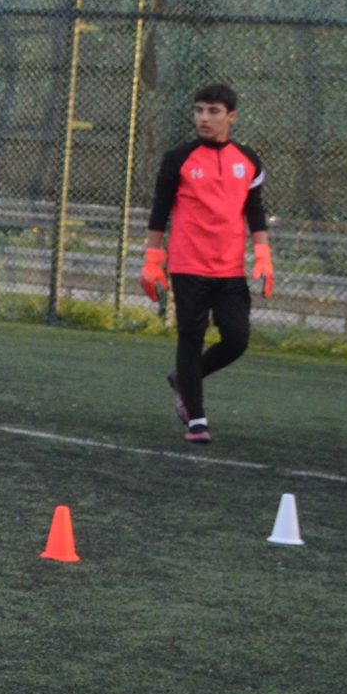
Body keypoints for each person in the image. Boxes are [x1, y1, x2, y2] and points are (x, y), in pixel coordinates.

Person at [141, 83, 273, 445]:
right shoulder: (178, 158)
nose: (204, 118)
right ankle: (196, 421)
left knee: (237, 339)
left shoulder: (248, 160)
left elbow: (255, 210)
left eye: (213, 111)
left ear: (231, 117)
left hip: (230, 268)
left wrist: (263, 254)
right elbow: (159, 211)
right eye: (199, 110)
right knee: (191, 335)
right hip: (188, 265)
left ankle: (184, 378)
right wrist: (153, 259)